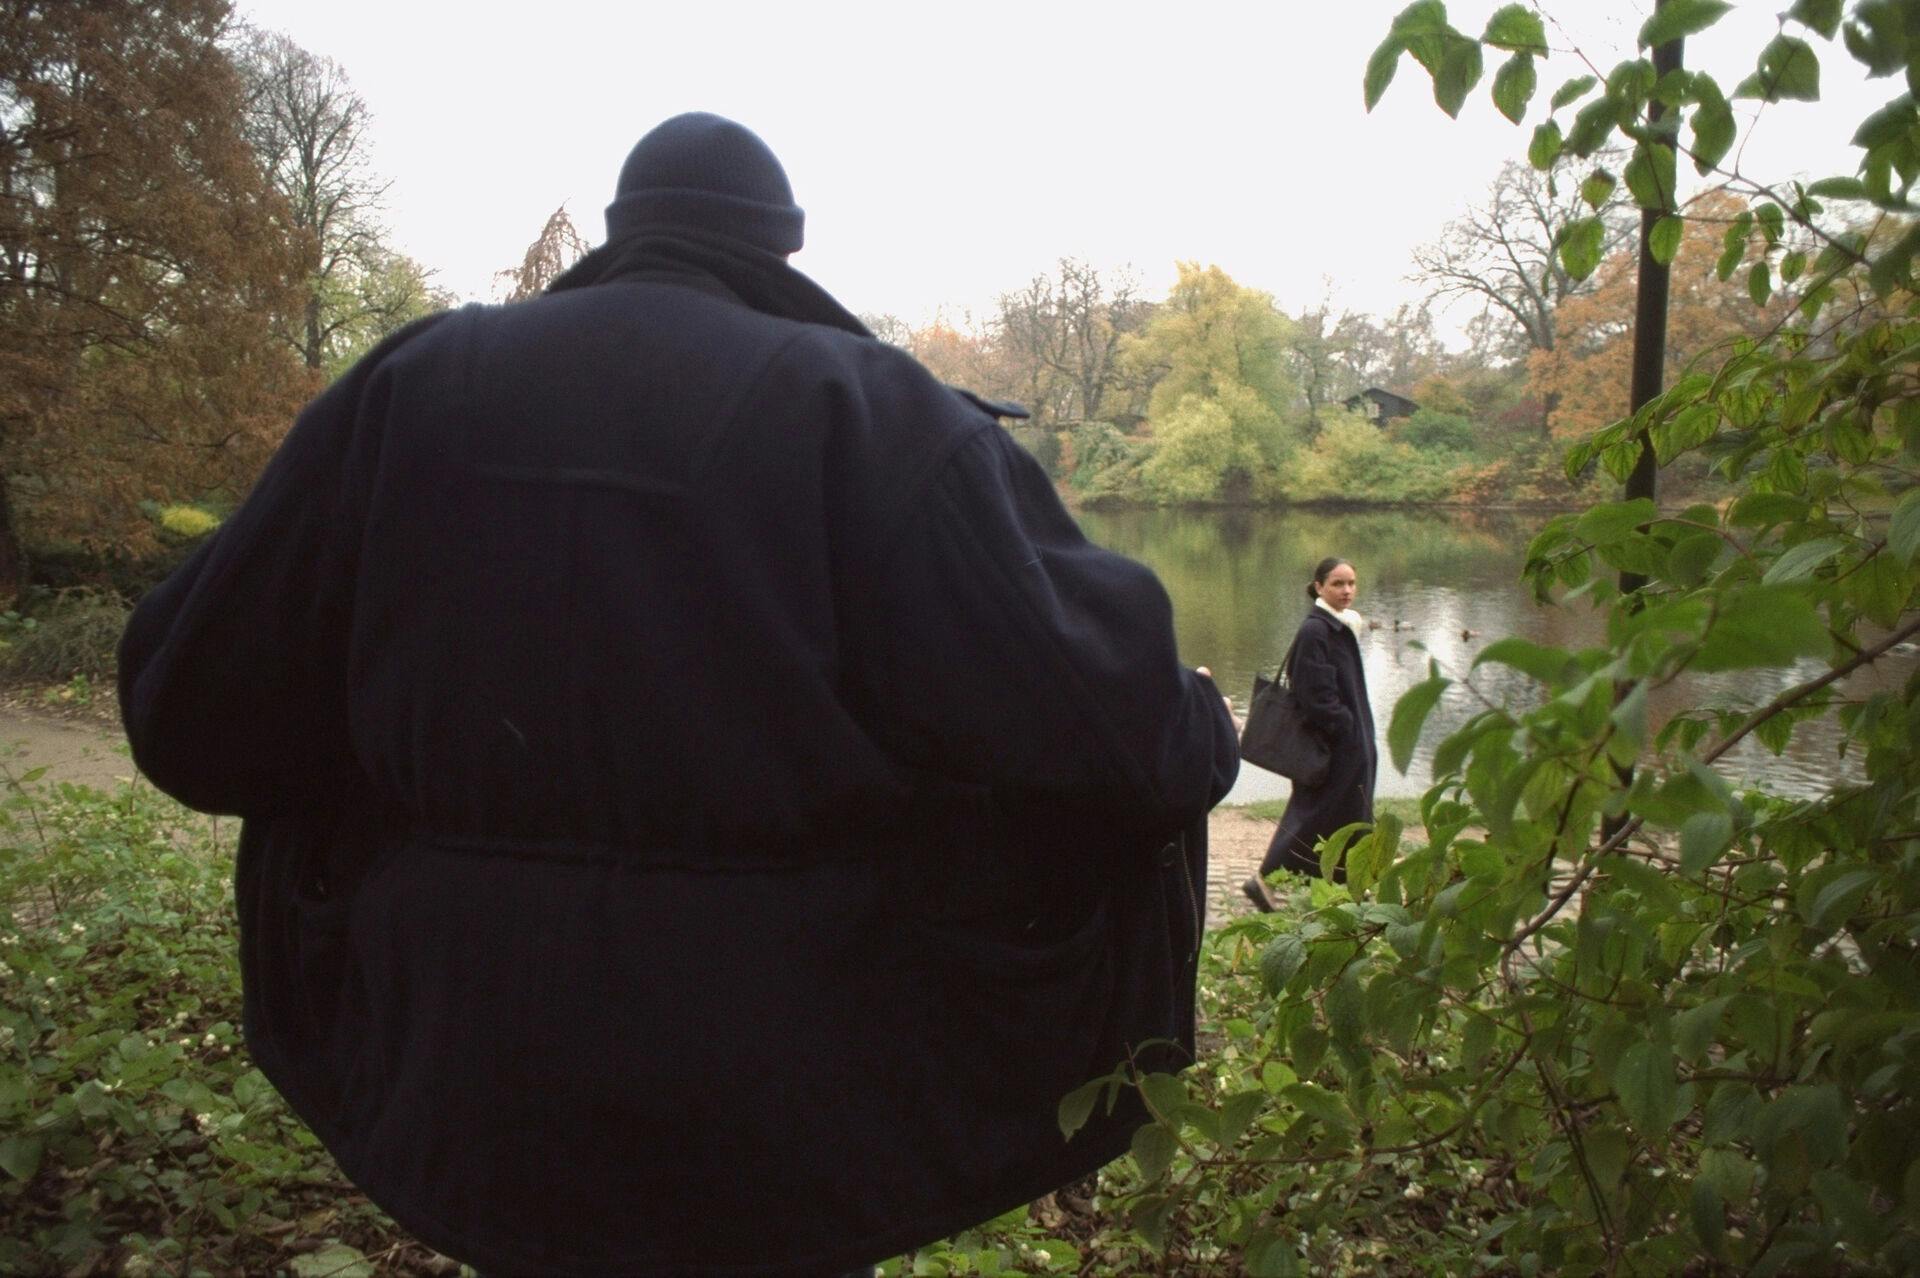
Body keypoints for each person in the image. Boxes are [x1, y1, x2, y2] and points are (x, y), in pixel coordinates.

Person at [117, 113, 1238, 1277]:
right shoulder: (871, 411)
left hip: (469, 1079)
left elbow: (186, 711)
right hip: (784, 1104)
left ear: (620, 231)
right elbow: (1121, 737)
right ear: (782, 245)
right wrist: (1199, 727)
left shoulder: (408, 390)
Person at [1243, 556, 1376, 910]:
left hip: (1350, 746)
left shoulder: (1339, 625)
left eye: (1351, 583)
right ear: (1319, 587)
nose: (1346, 591)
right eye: (1337, 584)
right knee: (1313, 818)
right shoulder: (1316, 630)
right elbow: (1316, 696)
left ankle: (1349, 883)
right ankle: (1264, 879)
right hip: (1334, 749)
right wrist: (1346, 728)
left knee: (1350, 816)